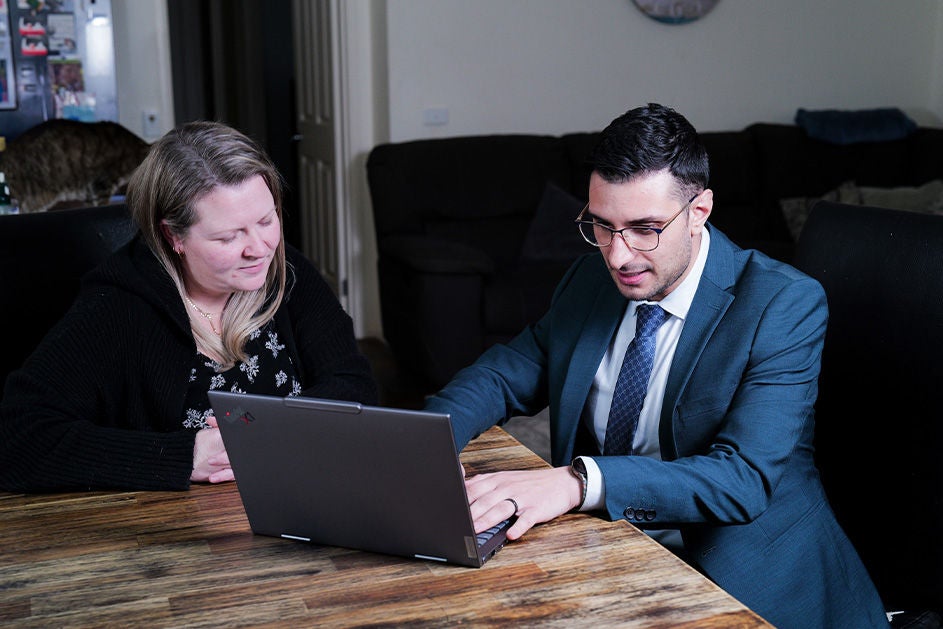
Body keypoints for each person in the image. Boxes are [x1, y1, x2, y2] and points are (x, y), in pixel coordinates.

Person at [424, 104, 887, 628]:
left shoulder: (782, 303)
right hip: (608, 551)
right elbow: (504, 374)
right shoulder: (588, 281)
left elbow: (743, 479)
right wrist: (424, 441)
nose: (619, 256)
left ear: (700, 211)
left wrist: (576, 483)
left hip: (742, 581)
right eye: (602, 225)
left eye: (645, 229)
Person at [0, 121, 377, 492]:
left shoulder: (285, 270)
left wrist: (267, 426)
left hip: (301, 495)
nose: (259, 248)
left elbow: (354, 384)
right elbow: (17, 438)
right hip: (179, 533)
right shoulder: (118, 306)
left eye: (266, 220)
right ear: (172, 235)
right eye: (229, 237)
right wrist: (185, 455)